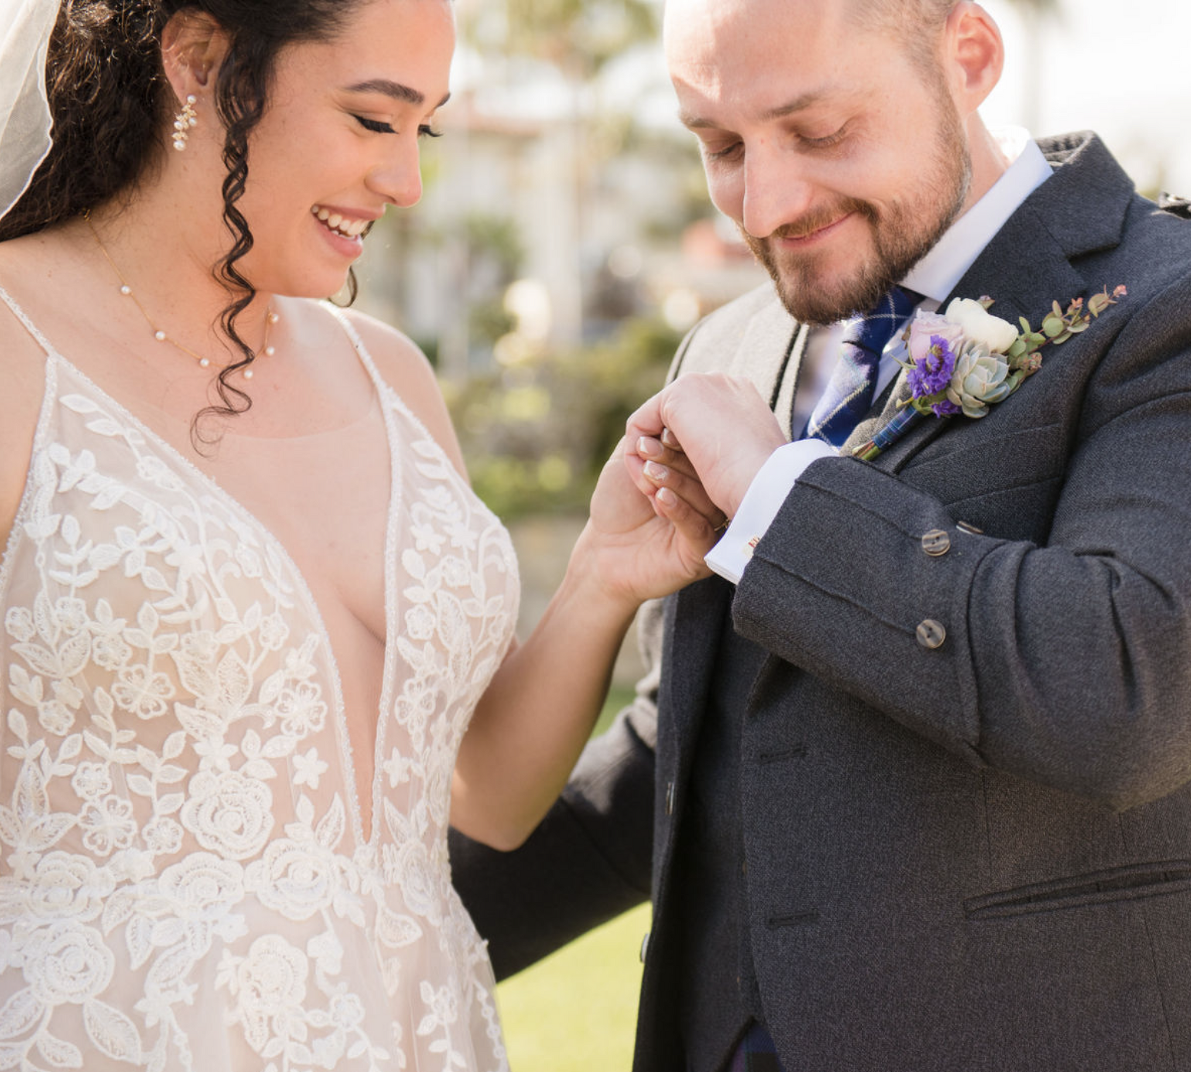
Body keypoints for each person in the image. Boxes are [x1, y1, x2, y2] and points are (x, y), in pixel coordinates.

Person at [450, 0, 1191, 1069]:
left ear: (965, 55)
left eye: (820, 131)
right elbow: (706, 751)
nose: (767, 202)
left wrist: (781, 496)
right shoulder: (728, 344)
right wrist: (353, 928)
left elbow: (1127, 688)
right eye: (722, 146)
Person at [0, 1, 717, 1069]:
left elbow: (491, 796)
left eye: (420, 129)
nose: (406, 183)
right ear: (198, 61)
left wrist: (605, 574)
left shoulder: (392, 377)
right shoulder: (17, 350)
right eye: (373, 120)